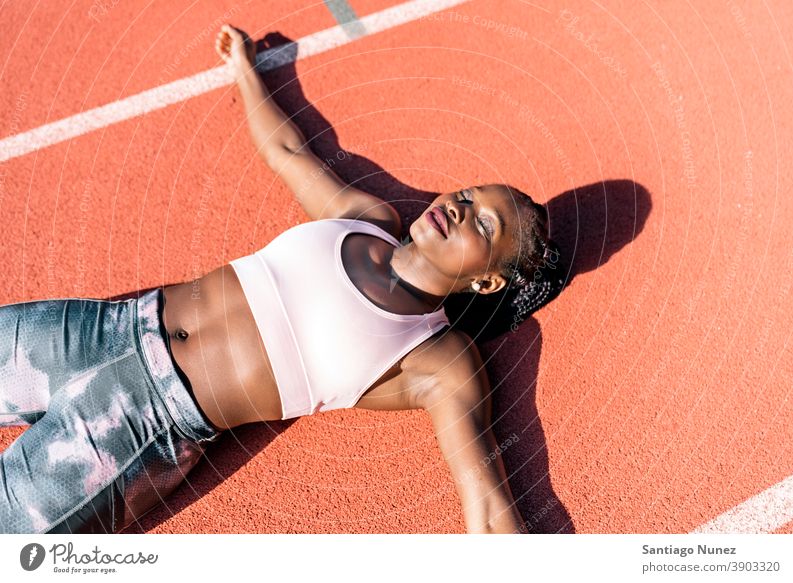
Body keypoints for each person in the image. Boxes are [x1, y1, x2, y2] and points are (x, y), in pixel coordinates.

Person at [0, 24, 567, 534]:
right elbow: (287, 150)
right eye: (467, 195)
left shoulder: (438, 359)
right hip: (105, 328)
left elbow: (488, 504)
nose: (460, 208)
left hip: (143, 424)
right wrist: (246, 70)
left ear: (488, 282)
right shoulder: (370, 222)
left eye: (483, 224)